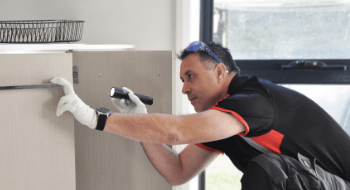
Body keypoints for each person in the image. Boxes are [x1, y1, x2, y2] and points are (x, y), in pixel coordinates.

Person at [51, 41, 350, 189]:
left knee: (265, 170)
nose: (184, 88)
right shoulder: (223, 119)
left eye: (191, 76)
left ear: (220, 72)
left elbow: (176, 131)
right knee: (265, 169)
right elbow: (178, 171)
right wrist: (141, 120)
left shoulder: (253, 101)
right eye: (182, 80)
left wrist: (94, 118)